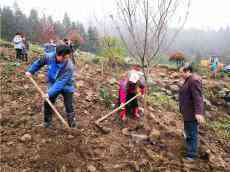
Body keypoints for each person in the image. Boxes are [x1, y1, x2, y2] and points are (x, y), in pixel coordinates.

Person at [25, 45, 77, 128]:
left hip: (67, 85)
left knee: (69, 105)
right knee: (48, 102)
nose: (66, 59)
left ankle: (72, 125)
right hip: (53, 83)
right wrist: (30, 71)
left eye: (67, 57)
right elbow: (39, 63)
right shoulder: (49, 57)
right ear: (57, 54)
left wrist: (49, 93)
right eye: (64, 57)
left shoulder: (69, 67)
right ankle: (47, 123)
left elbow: (60, 83)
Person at [179, 63, 205, 161]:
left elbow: (198, 98)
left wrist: (199, 113)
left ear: (188, 71)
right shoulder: (188, 80)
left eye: (182, 72)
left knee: (192, 133)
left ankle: (192, 155)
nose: (180, 74)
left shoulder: (194, 80)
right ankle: (189, 150)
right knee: (188, 132)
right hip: (187, 112)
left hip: (192, 113)